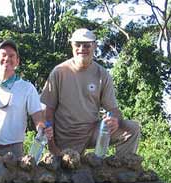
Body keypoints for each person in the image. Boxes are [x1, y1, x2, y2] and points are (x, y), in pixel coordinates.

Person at [41, 28, 140, 157]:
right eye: (78, 44)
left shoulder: (102, 74)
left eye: (87, 45)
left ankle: (122, 169)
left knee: (132, 128)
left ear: (94, 46)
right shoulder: (59, 72)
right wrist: (52, 147)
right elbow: (47, 111)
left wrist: (115, 119)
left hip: (92, 132)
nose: (82, 48)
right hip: (64, 137)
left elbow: (114, 109)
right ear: (72, 46)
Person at [0, 40, 52, 158]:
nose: (7, 58)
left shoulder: (27, 88)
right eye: (3, 55)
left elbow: (37, 116)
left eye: (11, 56)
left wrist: (42, 128)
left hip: (14, 153)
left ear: (17, 61)